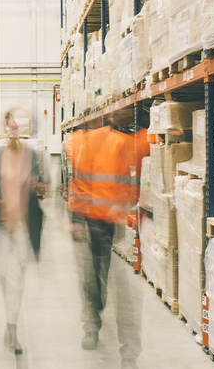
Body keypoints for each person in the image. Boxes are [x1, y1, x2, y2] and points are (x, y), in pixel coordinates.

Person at [65, 125, 149, 369]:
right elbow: (77, 182)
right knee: (91, 278)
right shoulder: (82, 144)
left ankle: (129, 353)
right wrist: (76, 221)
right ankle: (92, 324)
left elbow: (133, 176)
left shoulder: (123, 143)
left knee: (122, 288)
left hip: (116, 222)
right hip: (90, 221)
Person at [0, 107, 46, 355]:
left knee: (16, 281)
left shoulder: (32, 156)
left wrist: (37, 186)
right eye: (11, 123)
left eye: (19, 123)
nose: (15, 127)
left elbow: (43, 188)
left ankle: (12, 327)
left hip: (22, 228)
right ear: (6, 126)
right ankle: (11, 320)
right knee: (5, 279)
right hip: (0, 226)